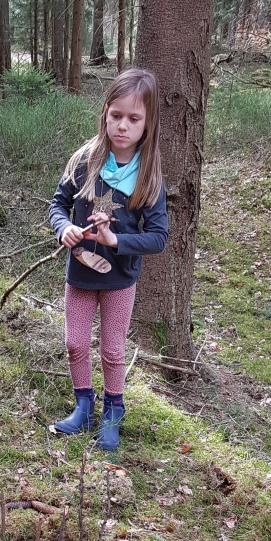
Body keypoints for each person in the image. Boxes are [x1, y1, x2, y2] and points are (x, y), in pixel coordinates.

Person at [49, 68, 169, 451]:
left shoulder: (149, 177)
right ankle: (83, 405)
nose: (123, 126)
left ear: (147, 124)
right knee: (75, 343)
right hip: (80, 274)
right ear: (105, 113)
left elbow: (159, 237)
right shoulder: (85, 160)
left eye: (134, 119)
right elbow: (58, 204)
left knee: (113, 349)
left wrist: (116, 239)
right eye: (116, 115)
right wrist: (63, 227)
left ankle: (113, 411)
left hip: (120, 280)